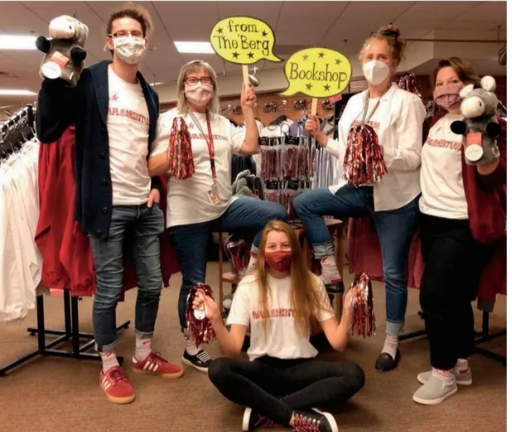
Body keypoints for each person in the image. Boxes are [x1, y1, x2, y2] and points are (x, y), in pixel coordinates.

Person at [36, 4, 183, 405]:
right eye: (121, 33)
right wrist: (54, 74)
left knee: (153, 285)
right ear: (108, 40)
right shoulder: (89, 81)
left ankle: (142, 353)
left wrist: (155, 182)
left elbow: (148, 148)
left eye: (136, 33)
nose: (130, 40)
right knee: (109, 290)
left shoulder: (150, 95)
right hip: (107, 206)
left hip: (145, 205)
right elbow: (47, 130)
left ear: (146, 42)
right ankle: (108, 364)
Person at [293, 24, 426, 372]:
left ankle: (391, 341)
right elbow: (349, 154)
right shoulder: (353, 103)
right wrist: (322, 138)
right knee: (306, 203)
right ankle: (330, 267)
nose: (375, 63)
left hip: (396, 195)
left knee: (394, 273)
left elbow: (414, 157)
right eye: (369, 57)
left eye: (382, 57)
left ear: (394, 64)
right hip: (357, 190)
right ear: (361, 61)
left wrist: (377, 152)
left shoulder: (409, 102)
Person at [148, 60, 288, 372]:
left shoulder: (221, 123)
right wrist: (176, 149)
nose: (200, 85)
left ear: (213, 86)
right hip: (188, 215)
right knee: (196, 282)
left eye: (206, 80)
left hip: (223, 204)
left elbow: (251, 146)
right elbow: (150, 167)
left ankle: (251, 267)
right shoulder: (170, 120)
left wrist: (247, 110)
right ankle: (191, 346)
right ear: (183, 85)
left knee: (275, 214)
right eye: (193, 80)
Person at [193, 220, 364, 432]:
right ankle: (295, 413)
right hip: (263, 370)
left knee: (353, 375)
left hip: (302, 369)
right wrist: (216, 319)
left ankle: (266, 410)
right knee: (218, 368)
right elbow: (233, 349)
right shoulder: (248, 286)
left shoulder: (312, 282)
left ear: (295, 248)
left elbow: (338, 343)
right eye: (272, 246)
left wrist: (347, 312)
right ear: (263, 252)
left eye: (285, 245)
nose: (279, 252)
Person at [413, 57, 507, 405]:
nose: (444, 90)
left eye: (452, 82)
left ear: (468, 84)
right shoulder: (436, 123)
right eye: (438, 84)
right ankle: (462, 364)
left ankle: (443, 373)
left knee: (434, 295)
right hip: (431, 219)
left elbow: (498, 175)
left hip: (463, 223)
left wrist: (484, 153)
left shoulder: (485, 122)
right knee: (453, 297)